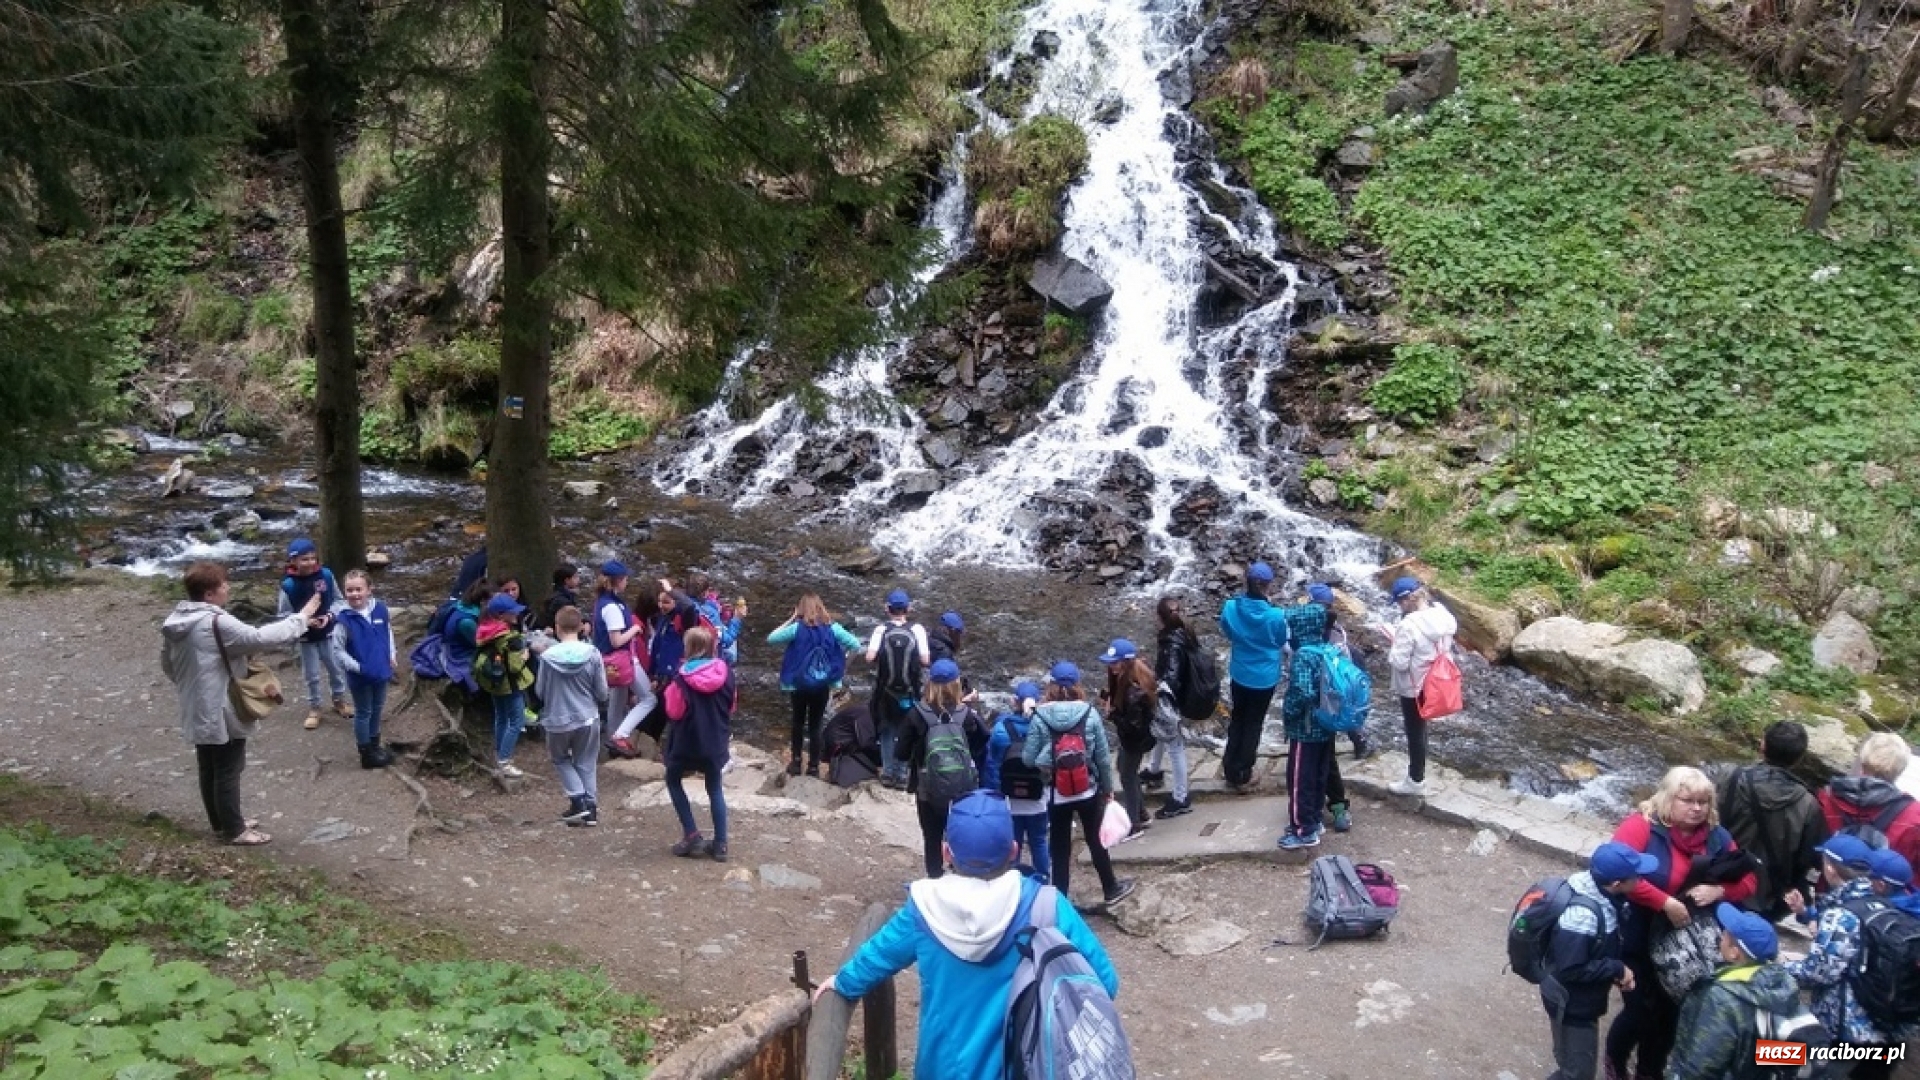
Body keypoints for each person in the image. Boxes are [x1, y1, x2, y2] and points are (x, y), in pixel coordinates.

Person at [811, 790, 1120, 1080]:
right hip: (1025, 1065)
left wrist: (841, 982)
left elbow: (879, 954)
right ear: (1013, 851)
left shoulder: (922, 910)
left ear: (946, 852)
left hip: (943, 1067)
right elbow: (1105, 982)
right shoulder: (1048, 906)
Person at [1606, 766, 1759, 1080]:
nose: (1696, 808)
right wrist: (1664, 901)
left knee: (1670, 1014)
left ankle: (1649, 1072)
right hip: (1638, 932)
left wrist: (1721, 891)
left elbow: (1750, 880)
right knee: (1639, 1011)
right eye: (1687, 800)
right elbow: (1613, 873)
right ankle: (1615, 1060)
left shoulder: (1717, 837)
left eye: (1703, 802)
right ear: (1668, 799)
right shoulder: (1641, 827)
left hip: (1686, 943)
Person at [162, 561, 322, 846]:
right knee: (228, 767)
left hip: (195, 703)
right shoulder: (216, 622)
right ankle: (235, 830)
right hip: (219, 706)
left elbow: (168, 665)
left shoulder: (177, 621)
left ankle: (221, 821)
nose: (228, 588)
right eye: (224, 584)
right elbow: (259, 638)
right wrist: (303, 616)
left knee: (208, 765)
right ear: (210, 594)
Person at [1783, 834, 1904, 1079]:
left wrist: (1782, 966)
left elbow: (1819, 973)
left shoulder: (1841, 915)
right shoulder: (1883, 903)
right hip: (1885, 1026)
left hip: (1847, 1035)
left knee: (1771, 1055)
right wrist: (1806, 913)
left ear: (1830, 867)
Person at [1022, 662, 1135, 906]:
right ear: (1077, 685)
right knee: (1096, 841)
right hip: (1088, 789)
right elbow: (1103, 758)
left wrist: (1048, 756)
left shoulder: (1040, 716)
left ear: (1051, 686)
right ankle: (1110, 888)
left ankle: (1060, 900)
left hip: (1056, 792)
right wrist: (1108, 789)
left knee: (1060, 848)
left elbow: (1028, 759)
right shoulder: (1089, 713)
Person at [1537, 842, 1653, 1080]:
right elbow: (1571, 968)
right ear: (1617, 883)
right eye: (1636, 875)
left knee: (1575, 1068)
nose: (1641, 879)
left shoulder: (1604, 895)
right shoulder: (1582, 917)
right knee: (1577, 1074)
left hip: (1577, 999)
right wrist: (1616, 969)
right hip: (1570, 1003)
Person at [1663, 903, 1799, 1080]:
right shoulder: (1782, 982)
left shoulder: (1721, 997)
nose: (1721, 935)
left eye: (1726, 934)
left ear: (1735, 953)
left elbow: (1702, 1065)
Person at [1714, 720, 1828, 920]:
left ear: (1762, 746)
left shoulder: (1730, 777)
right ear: (1799, 758)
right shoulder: (1809, 804)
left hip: (1722, 880)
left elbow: (1709, 823)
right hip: (1771, 897)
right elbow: (1808, 859)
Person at [899, 659, 990, 878]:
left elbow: (900, 752)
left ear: (929, 684)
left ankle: (935, 878)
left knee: (932, 836)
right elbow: (983, 742)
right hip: (963, 788)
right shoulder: (967, 716)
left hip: (927, 787)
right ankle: (961, 875)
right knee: (960, 833)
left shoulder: (916, 714)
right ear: (957, 684)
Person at [1276, 582, 1349, 848]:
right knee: (1318, 774)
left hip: (1304, 728)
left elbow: (1303, 693)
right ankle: (1315, 818)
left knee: (1298, 779)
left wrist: (1290, 714)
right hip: (1324, 725)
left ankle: (1302, 830)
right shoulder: (1329, 649)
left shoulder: (1304, 655)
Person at [769, 593, 863, 777]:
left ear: (801, 610)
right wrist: (842, 667)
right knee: (816, 724)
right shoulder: (833, 628)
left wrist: (790, 619)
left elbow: (771, 638)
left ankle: (796, 762)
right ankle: (813, 766)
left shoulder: (796, 628)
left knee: (797, 722)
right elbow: (855, 645)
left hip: (798, 684)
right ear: (821, 608)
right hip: (822, 684)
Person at [663, 626, 736, 862]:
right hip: (715, 740)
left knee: (673, 780)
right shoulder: (726, 673)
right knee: (714, 787)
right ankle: (721, 843)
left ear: (689, 648)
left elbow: (674, 712)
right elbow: (731, 706)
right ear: (712, 647)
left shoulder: (681, 678)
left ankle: (692, 834)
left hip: (687, 740)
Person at [1217, 561, 1289, 790]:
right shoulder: (1276, 615)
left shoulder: (1230, 608)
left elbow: (1227, 631)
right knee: (1254, 724)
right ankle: (1242, 772)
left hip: (1240, 672)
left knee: (1237, 718)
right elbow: (1280, 641)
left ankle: (1229, 765)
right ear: (1268, 586)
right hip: (1265, 676)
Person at [536, 606, 610, 826]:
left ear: (557, 628)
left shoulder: (547, 657)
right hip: (588, 717)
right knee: (586, 761)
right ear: (580, 627)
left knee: (560, 758)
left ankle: (578, 801)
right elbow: (603, 692)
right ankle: (591, 809)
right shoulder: (593, 653)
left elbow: (540, 691)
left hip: (557, 719)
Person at [1385, 575, 1457, 797]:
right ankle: (1418, 774)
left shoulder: (1408, 625)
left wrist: (1393, 640)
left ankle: (1416, 780)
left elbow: (1400, 662)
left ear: (1407, 600)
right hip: (1437, 680)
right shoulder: (1443, 614)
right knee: (1422, 727)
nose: (1399, 606)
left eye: (1399, 602)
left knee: (1414, 730)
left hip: (1413, 685)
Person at [278, 537, 351, 730]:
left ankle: (339, 700)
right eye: (304, 559)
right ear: (293, 561)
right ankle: (315, 707)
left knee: (336, 668)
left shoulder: (326, 575)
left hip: (329, 632)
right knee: (312, 674)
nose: (310, 563)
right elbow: (283, 615)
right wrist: (304, 621)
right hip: (305, 638)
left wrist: (329, 615)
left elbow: (339, 600)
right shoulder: (289, 586)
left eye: (312, 558)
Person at [1817, 732, 1920, 869]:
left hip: (1831, 884)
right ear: (1900, 770)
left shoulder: (1827, 797)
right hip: (1884, 888)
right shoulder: (1914, 814)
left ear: (1862, 763)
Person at [983, 680, 1051, 882]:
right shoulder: (1044, 726)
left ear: (1015, 701)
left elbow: (993, 761)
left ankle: (1012, 881)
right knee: (1038, 841)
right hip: (1037, 798)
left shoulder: (1001, 728)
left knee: (1013, 842)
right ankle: (1044, 879)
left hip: (1009, 798)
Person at [328, 568, 396, 769]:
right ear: (344, 592)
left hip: (381, 670)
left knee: (377, 708)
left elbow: (388, 631)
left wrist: (391, 654)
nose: (354, 594)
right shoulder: (344, 620)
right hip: (361, 675)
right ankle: (365, 752)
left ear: (369, 590)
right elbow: (338, 651)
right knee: (364, 711)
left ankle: (375, 744)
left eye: (358, 589)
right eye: (349, 590)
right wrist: (357, 667)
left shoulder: (380, 610)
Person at [866, 588, 930, 789]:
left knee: (886, 729)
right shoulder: (917, 629)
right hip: (910, 690)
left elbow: (869, 658)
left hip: (886, 690)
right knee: (907, 730)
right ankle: (902, 775)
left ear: (888, 609)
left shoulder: (881, 629)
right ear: (908, 609)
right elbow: (925, 660)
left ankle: (887, 773)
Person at [1099, 639, 1157, 838]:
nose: (1111, 665)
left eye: (1115, 662)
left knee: (1127, 776)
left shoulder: (1134, 691)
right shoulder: (1127, 679)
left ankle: (1134, 823)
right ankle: (1141, 813)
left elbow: (1133, 727)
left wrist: (1112, 714)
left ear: (1126, 662)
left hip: (1135, 741)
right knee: (1125, 770)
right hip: (1134, 739)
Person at [592, 560, 650, 753]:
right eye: (625, 578)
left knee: (617, 699)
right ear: (617, 581)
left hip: (610, 661)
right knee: (649, 699)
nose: (627, 582)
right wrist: (634, 629)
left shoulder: (604, 601)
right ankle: (621, 735)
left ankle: (612, 738)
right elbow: (616, 641)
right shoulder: (612, 608)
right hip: (621, 659)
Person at [476, 592, 536, 777]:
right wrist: (525, 656)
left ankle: (499, 754)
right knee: (517, 721)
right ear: (501, 615)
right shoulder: (509, 638)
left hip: (495, 683)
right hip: (510, 684)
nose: (516, 615)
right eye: (513, 612)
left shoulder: (486, 630)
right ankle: (505, 761)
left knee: (501, 717)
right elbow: (515, 666)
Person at [1145, 595, 1193, 818]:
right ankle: (1153, 771)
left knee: (1175, 747)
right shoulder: (1185, 633)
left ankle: (1181, 797)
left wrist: (1157, 686)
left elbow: (1171, 676)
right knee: (1160, 732)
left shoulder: (1170, 643)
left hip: (1171, 700)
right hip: (1182, 695)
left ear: (1159, 618)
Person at [538, 564, 581, 632]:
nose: (578, 579)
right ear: (567, 580)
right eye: (575, 577)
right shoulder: (562, 601)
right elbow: (569, 623)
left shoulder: (559, 595)